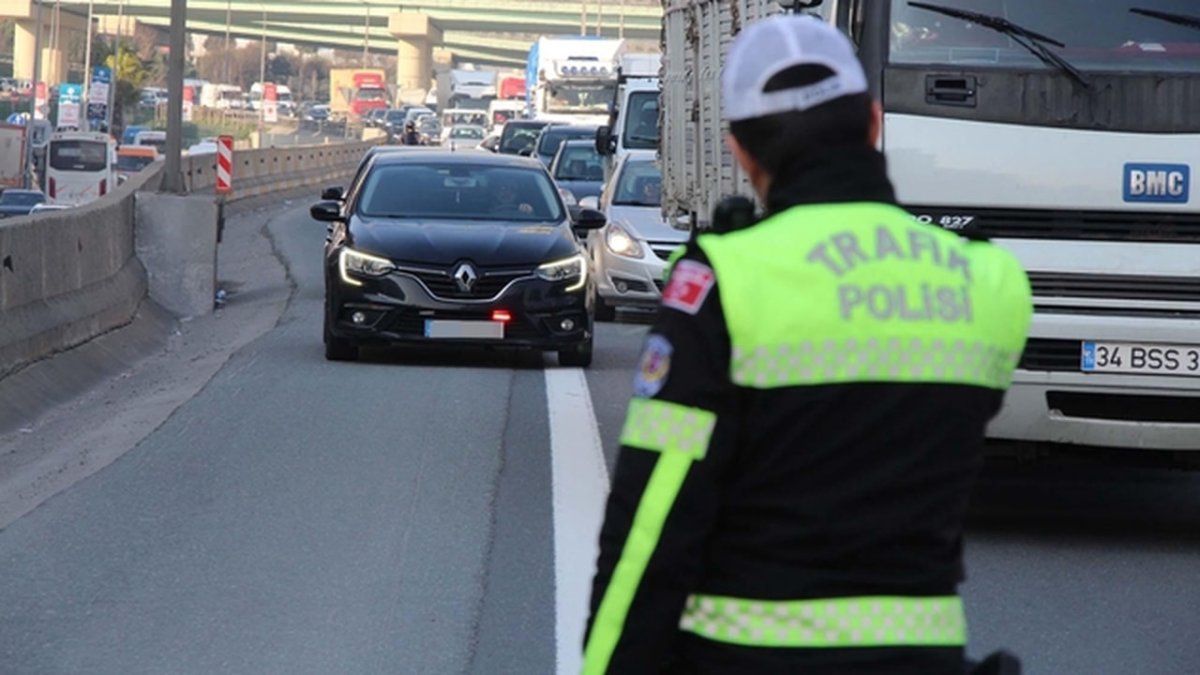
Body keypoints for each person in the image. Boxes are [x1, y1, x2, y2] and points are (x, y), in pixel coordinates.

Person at [583, 15, 1032, 675]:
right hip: (921, 656)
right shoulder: (989, 281)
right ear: (873, 124)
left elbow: (653, 517)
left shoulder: (725, 280)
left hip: (745, 657)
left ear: (740, 151)